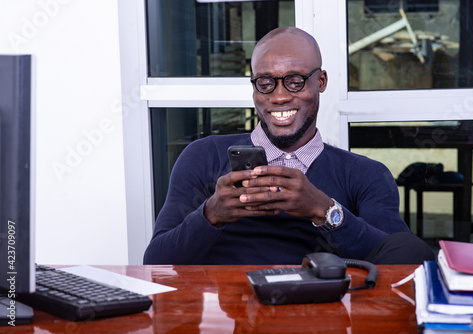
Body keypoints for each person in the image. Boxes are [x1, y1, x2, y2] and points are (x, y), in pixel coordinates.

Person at [143, 26, 435, 265]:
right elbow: (156, 262)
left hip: (320, 312)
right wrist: (211, 215)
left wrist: (323, 210)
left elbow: (402, 263)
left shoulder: (365, 174)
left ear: (320, 82)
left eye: (295, 81)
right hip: (234, 313)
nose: (279, 97)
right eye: (266, 83)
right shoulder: (203, 156)